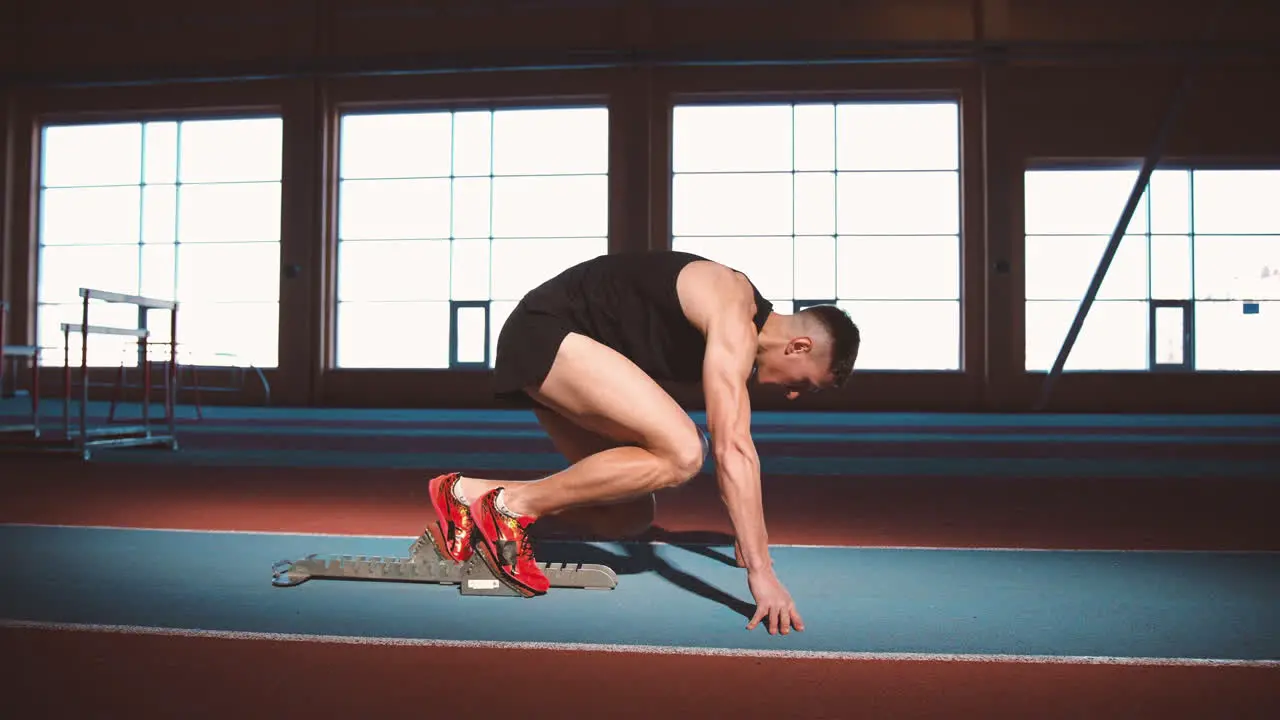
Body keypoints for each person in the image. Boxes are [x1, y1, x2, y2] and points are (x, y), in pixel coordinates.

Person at [425, 250, 860, 636]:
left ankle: (467, 494)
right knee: (687, 450)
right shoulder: (734, 312)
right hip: (547, 335)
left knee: (626, 515)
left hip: (569, 354)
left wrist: (753, 538)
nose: (793, 395)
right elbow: (734, 447)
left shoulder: (737, 325)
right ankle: (511, 509)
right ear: (799, 346)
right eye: (806, 384)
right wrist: (762, 570)